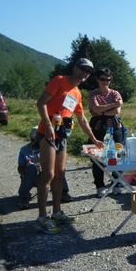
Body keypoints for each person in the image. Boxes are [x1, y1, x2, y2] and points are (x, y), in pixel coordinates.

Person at [34, 58, 103, 234]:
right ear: (74, 68)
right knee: (48, 174)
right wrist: (48, 124)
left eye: (88, 71)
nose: (84, 73)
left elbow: (82, 119)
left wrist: (94, 139)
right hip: (47, 134)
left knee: (60, 174)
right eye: (82, 69)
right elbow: (41, 102)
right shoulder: (59, 81)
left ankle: (56, 213)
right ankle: (42, 218)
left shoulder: (78, 93)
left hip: (62, 136)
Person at [88, 68, 124, 197]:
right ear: (97, 80)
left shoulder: (115, 93)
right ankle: (100, 186)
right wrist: (111, 105)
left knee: (118, 156)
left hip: (115, 128)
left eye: (108, 79)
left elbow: (117, 111)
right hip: (99, 129)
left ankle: (117, 185)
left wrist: (100, 111)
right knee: (97, 157)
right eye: (103, 79)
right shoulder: (93, 94)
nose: (105, 82)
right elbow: (95, 108)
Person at [17, 126, 73, 210]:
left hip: (48, 174)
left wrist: (44, 166)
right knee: (31, 167)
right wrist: (28, 167)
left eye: (36, 140)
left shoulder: (49, 149)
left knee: (58, 168)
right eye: (32, 140)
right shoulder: (24, 150)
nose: (34, 143)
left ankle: (63, 193)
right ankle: (24, 198)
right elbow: (20, 170)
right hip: (32, 176)